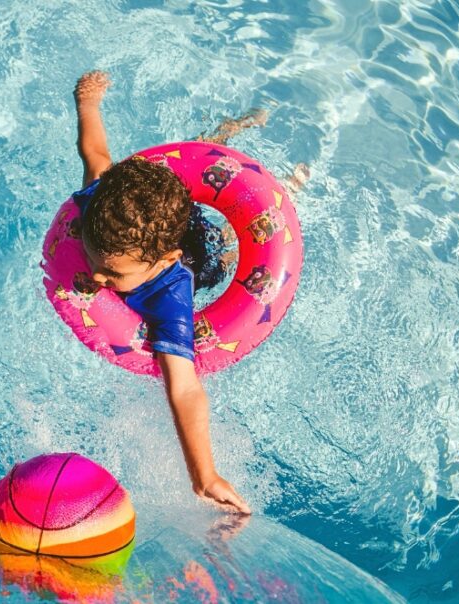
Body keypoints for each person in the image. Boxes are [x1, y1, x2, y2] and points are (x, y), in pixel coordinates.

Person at [71, 70, 300, 515]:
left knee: (229, 250)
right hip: (161, 224)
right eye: (92, 259)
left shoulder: (171, 295)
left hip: (201, 255)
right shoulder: (98, 211)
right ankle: (228, 129)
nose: (97, 279)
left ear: (160, 263)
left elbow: (185, 388)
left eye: (112, 276)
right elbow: (94, 151)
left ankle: (288, 187)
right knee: (192, 166)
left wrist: (204, 475)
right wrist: (88, 104)